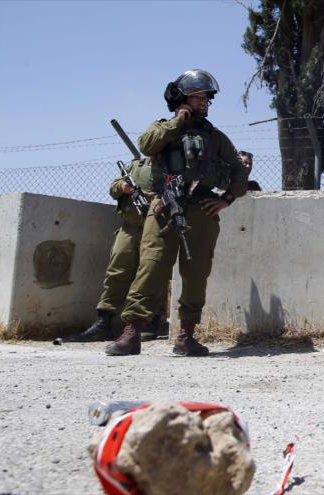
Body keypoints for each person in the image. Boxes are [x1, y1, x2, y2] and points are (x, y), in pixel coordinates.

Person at [105, 69, 248, 356]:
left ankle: (186, 336)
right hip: (163, 207)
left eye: (206, 99)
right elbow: (147, 145)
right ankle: (132, 333)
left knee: (196, 273)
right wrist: (176, 123)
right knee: (151, 267)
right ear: (182, 100)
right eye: (198, 98)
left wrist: (226, 199)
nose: (204, 103)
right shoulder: (163, 128)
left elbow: (238, 171)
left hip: (201, 210)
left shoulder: (215, 137)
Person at [67, 159, 168, 343]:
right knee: (116, 271)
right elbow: (113, 188)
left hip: (156, 227)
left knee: (152, 273)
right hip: (129, 228)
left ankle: (152, 321)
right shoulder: (135, 166)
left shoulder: (172, 163)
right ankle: (104, 321)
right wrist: (123, 187)